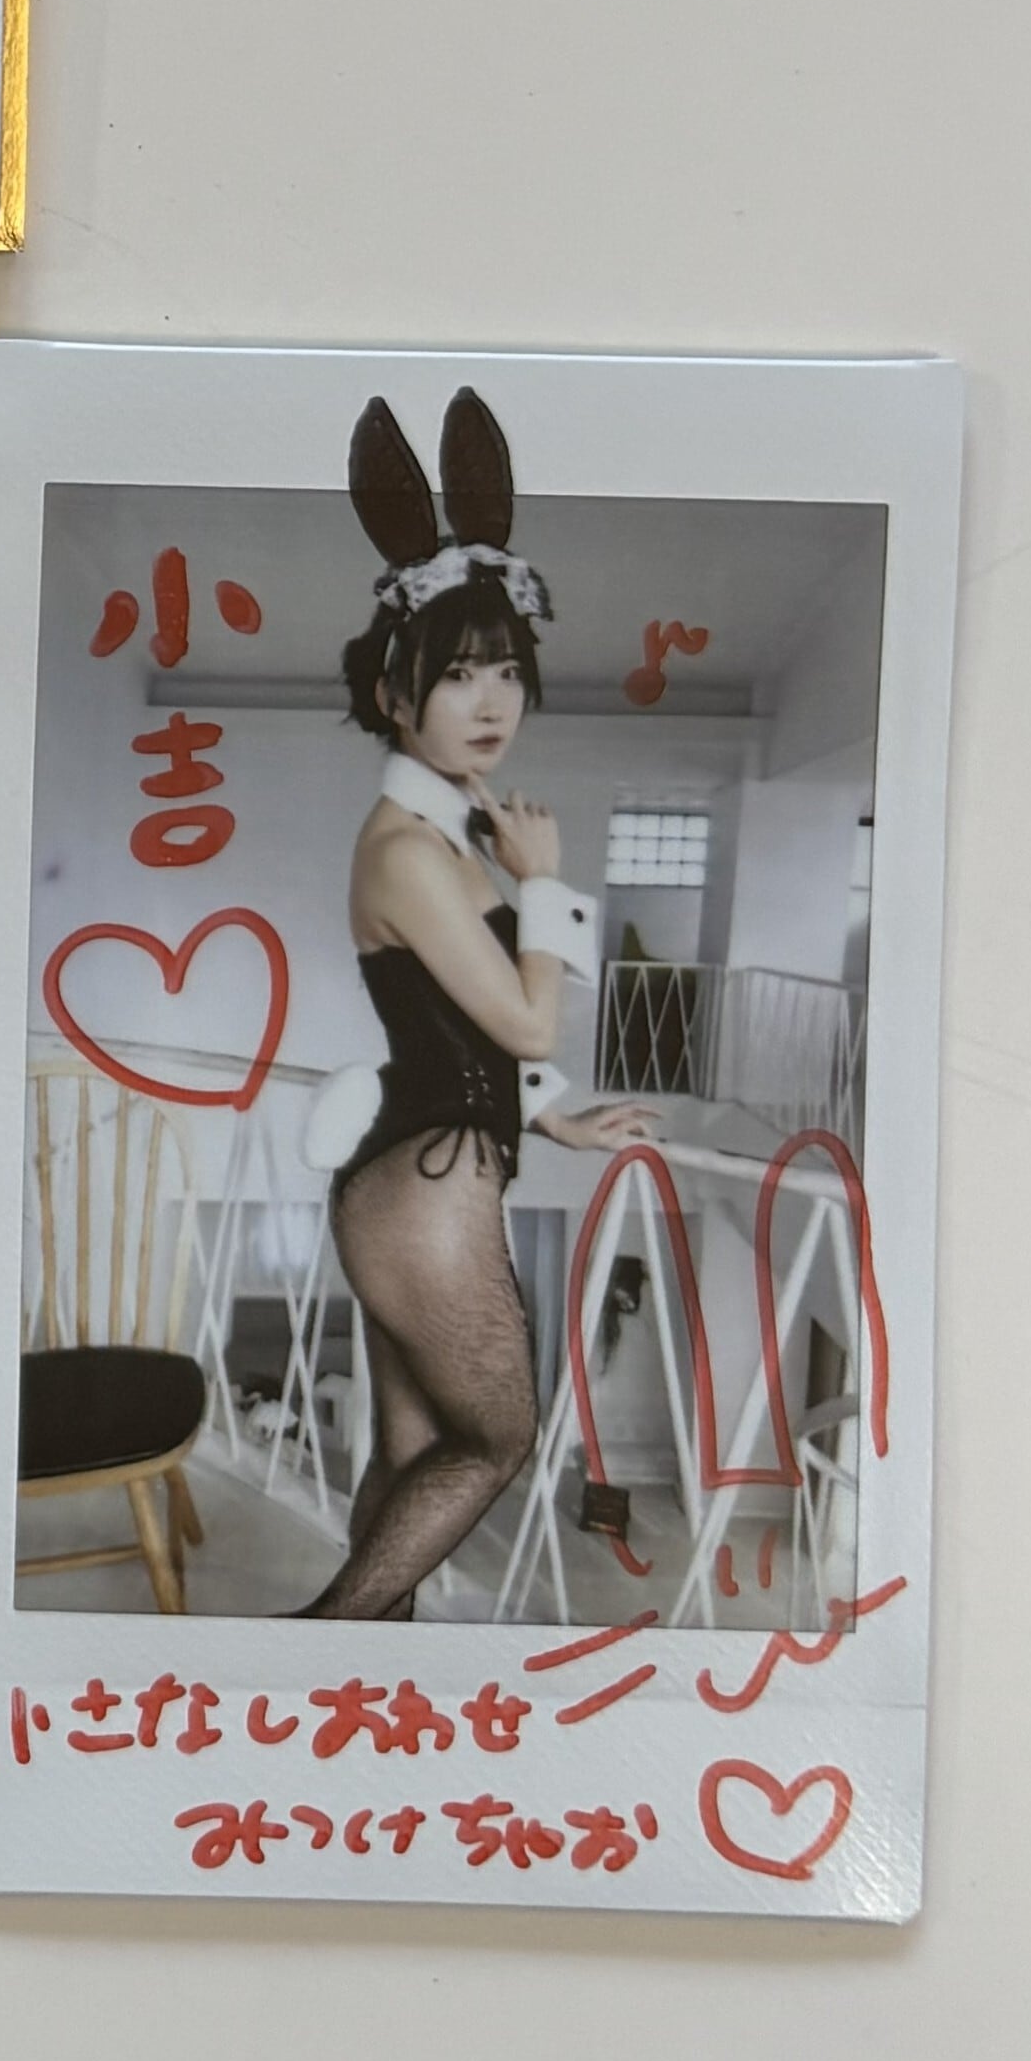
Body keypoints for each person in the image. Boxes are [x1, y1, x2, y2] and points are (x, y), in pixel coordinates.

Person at [297, 392, 650, 1620]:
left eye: (507, 670)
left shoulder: (440, 839)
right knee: (497, 1440)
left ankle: (356, 1674)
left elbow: (465, 1024)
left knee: (412, 1455)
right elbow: (525, 1023)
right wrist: (543, 886)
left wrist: (552, 1118)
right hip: (429, 1186)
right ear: (397, 696)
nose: (492, 702)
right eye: (457, 676)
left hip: (423, 1174)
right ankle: (313, 1657)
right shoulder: (408, 849)